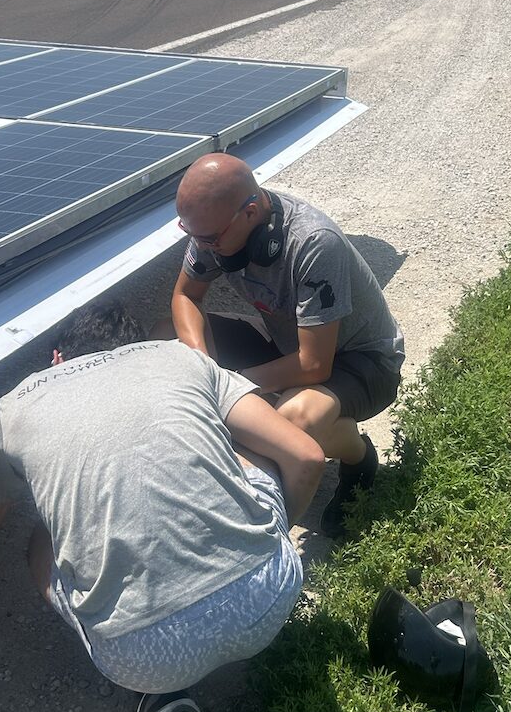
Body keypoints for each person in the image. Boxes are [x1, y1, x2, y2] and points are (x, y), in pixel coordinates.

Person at [0, 302, 325, 712]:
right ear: (135, 348)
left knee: (40, 541)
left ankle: (155, 697)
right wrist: (266, 536)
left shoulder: (15, 409)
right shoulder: (180, 359)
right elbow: (307, 458)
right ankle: (242, 566)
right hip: (270, 600)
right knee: (242, 444)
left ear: (55, 359)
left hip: (141, 657)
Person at [171, 153, 404, 533]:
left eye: (210, 238)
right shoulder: (214, 229)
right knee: (166, 336)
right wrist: (204, 367)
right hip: (290, 344)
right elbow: (185, 297)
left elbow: (314, 366)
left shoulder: (313, 243)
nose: (202, 247)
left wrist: (230, 386)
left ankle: (358, 460)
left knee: (292, 418)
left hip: (363, 361)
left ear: (249, 213)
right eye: (190, 234)